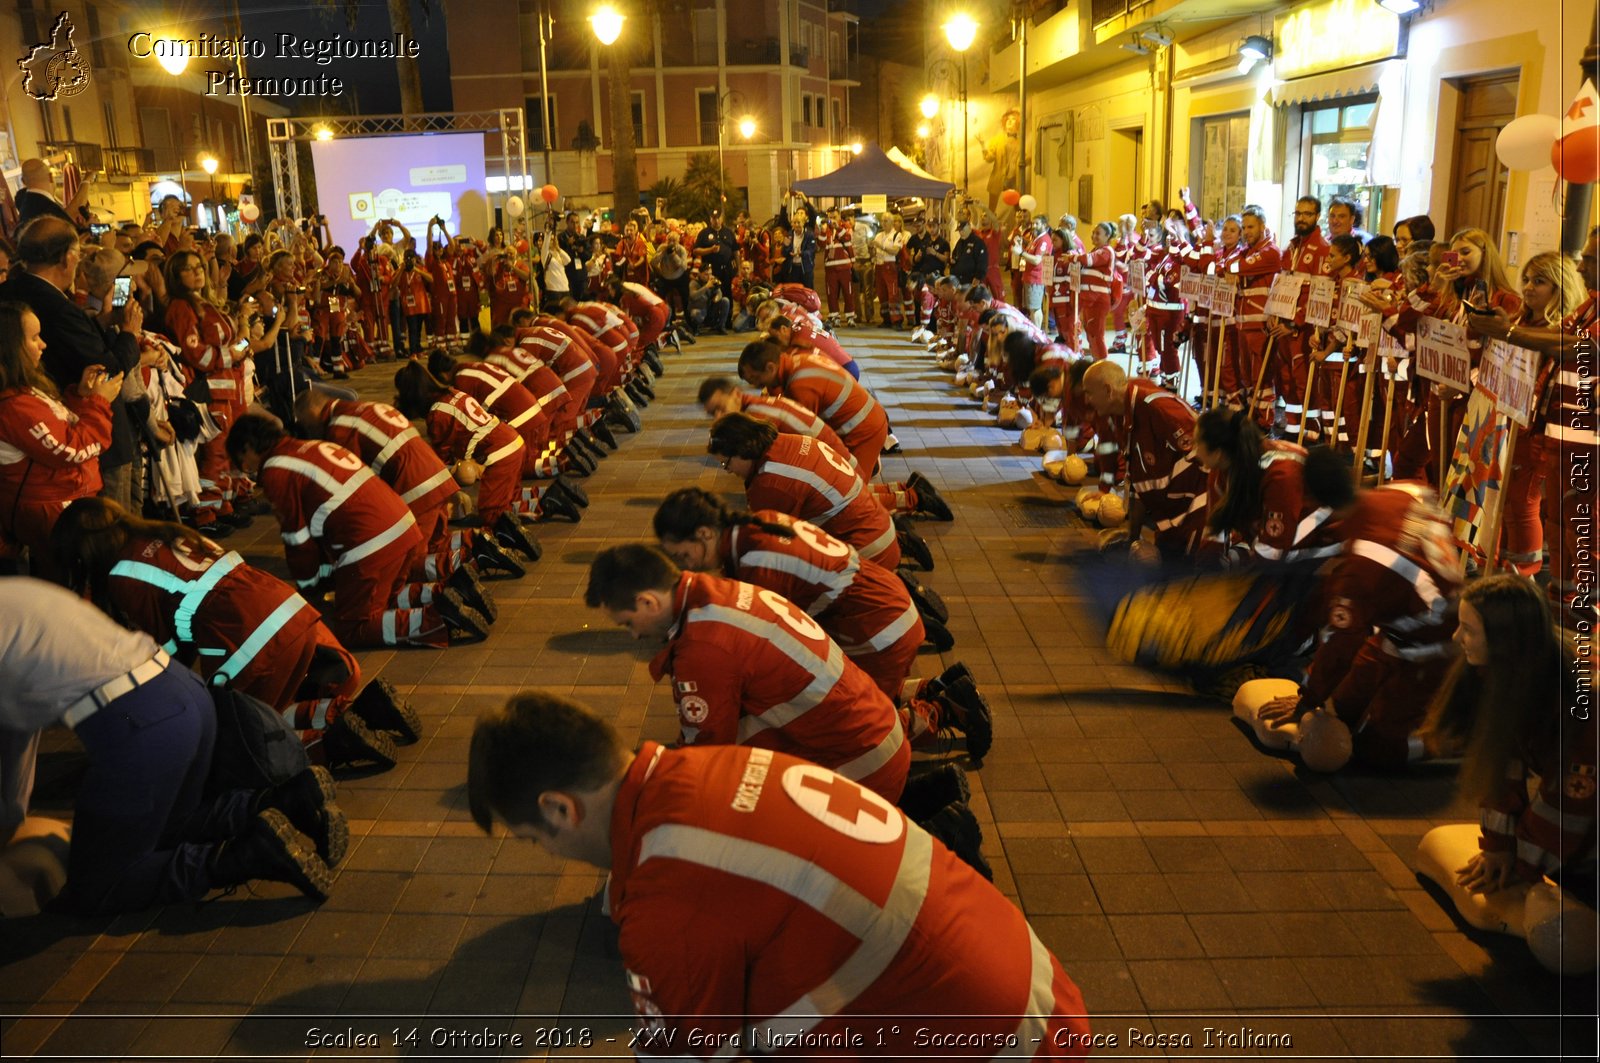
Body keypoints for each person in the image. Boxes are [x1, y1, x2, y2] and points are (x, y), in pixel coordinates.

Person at [466, 692, 1094, 1055]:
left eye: (532, 839)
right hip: (1036, 998)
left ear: (558, 809)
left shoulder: (666, 901)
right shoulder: (710, 767)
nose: (548, 855)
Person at [0, 577, 341, 911]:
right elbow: (16, 723)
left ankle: (246, 855)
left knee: (98, 883)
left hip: (138, 722)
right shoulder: (14, 591)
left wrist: (9, 822)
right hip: (180, 688)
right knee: (171, 826)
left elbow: (10, 740)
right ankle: (283, 801)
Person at [49, 497, 421, 769]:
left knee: (230, 740)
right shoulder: (169, 533)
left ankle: (330, 742)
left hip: (246, 638)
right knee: (261, 707)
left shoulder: (124, 574)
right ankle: (361, 712)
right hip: (290, 610)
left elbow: (166, 655)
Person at [651, 488, 992, 756]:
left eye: (684, 555)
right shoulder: (754, 527)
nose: (687, 567)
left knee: (859, 735)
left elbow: (769, 643)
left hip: (874, 626)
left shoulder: (757, 561)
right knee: (849, 698)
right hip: (881, 605)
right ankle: (937, 687)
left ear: (704, 534)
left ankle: (942, 710)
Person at [585, 544, 911, 802]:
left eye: (627, 622)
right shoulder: (717, 591)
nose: (633, 635)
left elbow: (706, 755)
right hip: (876, 729)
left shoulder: (703, 648)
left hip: (861, 769)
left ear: (647, 602)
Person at [1414, 576, 1596, 973]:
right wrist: (1496, 845)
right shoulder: (1503, 672)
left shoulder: (1582, 704)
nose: (1457, 635)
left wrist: (1523, 867)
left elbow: (1566, 803)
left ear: (1505, 639)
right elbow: (1500, 760)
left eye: (1469, 628)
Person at [1255, 448, 1462, 769]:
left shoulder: (1363, 567)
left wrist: (1306, 699)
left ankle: (1460, 739)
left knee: (1375, 749)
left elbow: (1341, 643)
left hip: (1432, 645)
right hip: (1417, 623)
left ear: (1312, 499)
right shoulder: (1404, 490)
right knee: (1347, 707)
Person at [226, 412, 493, 648]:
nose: (246, 470)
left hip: (370, 542)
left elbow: (298, 542)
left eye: (242, 459)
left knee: (353, 626)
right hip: (401, 523)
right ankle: (445, 592)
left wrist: (311, 590)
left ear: (250, 446)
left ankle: (434, 620)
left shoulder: (276, 469)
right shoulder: (311, 447)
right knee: (383, 596)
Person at [293, 387, 525, 580]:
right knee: (436, 541)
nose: (309, 431)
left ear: (314, 412)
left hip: (415, 487)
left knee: (404, 564)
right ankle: (483, 540)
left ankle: (473, 560)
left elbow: (353, 485)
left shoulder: (339, 429)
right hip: (435, 474)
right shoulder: (368, 408)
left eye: (306, 423)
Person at [0, 217, 145, 510]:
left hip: (57, 440)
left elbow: (73, 346)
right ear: (68, 257)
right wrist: (129, 334)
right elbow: (106, 370)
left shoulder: (13, 291)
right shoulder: (56, 306)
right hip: (86, 435)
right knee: (112, 533)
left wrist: (102, 322)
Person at [0, 299, 119, 577]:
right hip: (54, 518)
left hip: (67, 509)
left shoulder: (24, 390)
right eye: (34, 338)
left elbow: (59, 427)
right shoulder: (13, 406)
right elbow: (72, 449)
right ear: (9, 347)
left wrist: (81, 396)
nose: (43, 345)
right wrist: (99, 402)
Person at [707, 412, 901, 569]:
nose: (728, 470)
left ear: (742, 449)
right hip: (880, 529)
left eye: (726, 463)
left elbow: (771, 544)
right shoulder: (787, 441)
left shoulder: (769, 483)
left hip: (867, 554)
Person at [1081, 360, 1207, 558]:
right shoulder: (1120, 413)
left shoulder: (1157, 407)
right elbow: (1138, 479)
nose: (1087, 400)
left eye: (1089, 392)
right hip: (1169, 518)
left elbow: (1210, 464)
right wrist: (1133, 537)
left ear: (1107, 390)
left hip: (1196, 515)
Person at [1190, 407, 1340, 566]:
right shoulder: (1222, 470)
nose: (1194, 451)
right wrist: (1202, 573)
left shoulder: (1282, 473)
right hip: (1277, 546)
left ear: (1217, 452)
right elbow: (1215, 533)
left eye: (1197, 443)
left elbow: (1272, 553)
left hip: (1319, 550)